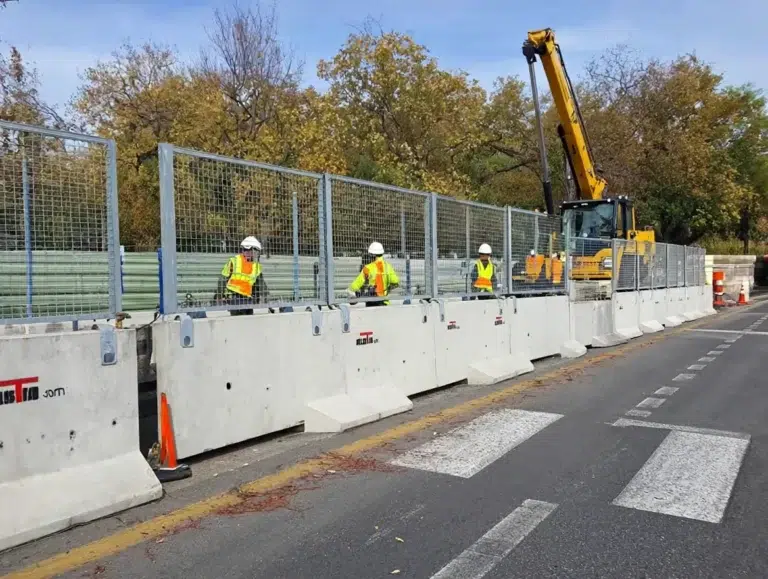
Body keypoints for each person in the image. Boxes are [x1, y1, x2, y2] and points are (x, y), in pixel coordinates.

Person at [214, 236, 269, 315]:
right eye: (246, 250)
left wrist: (266, 300)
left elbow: (261, 285)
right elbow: (222, 280)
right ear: (242, 250)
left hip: (247, 300)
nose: (248, 252)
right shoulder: (234, 261)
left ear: (254, 251)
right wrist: (219, 297)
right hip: (233, 298)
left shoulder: (256, 267)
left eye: (250, 250)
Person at [346, 241, 400, 306]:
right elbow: (395, 282)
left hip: (372, 302)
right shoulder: (388, 266)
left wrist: (349, 290)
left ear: (373, 255)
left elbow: (356, 284)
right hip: (384, 302)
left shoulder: (368, 268)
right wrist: (387, 290)